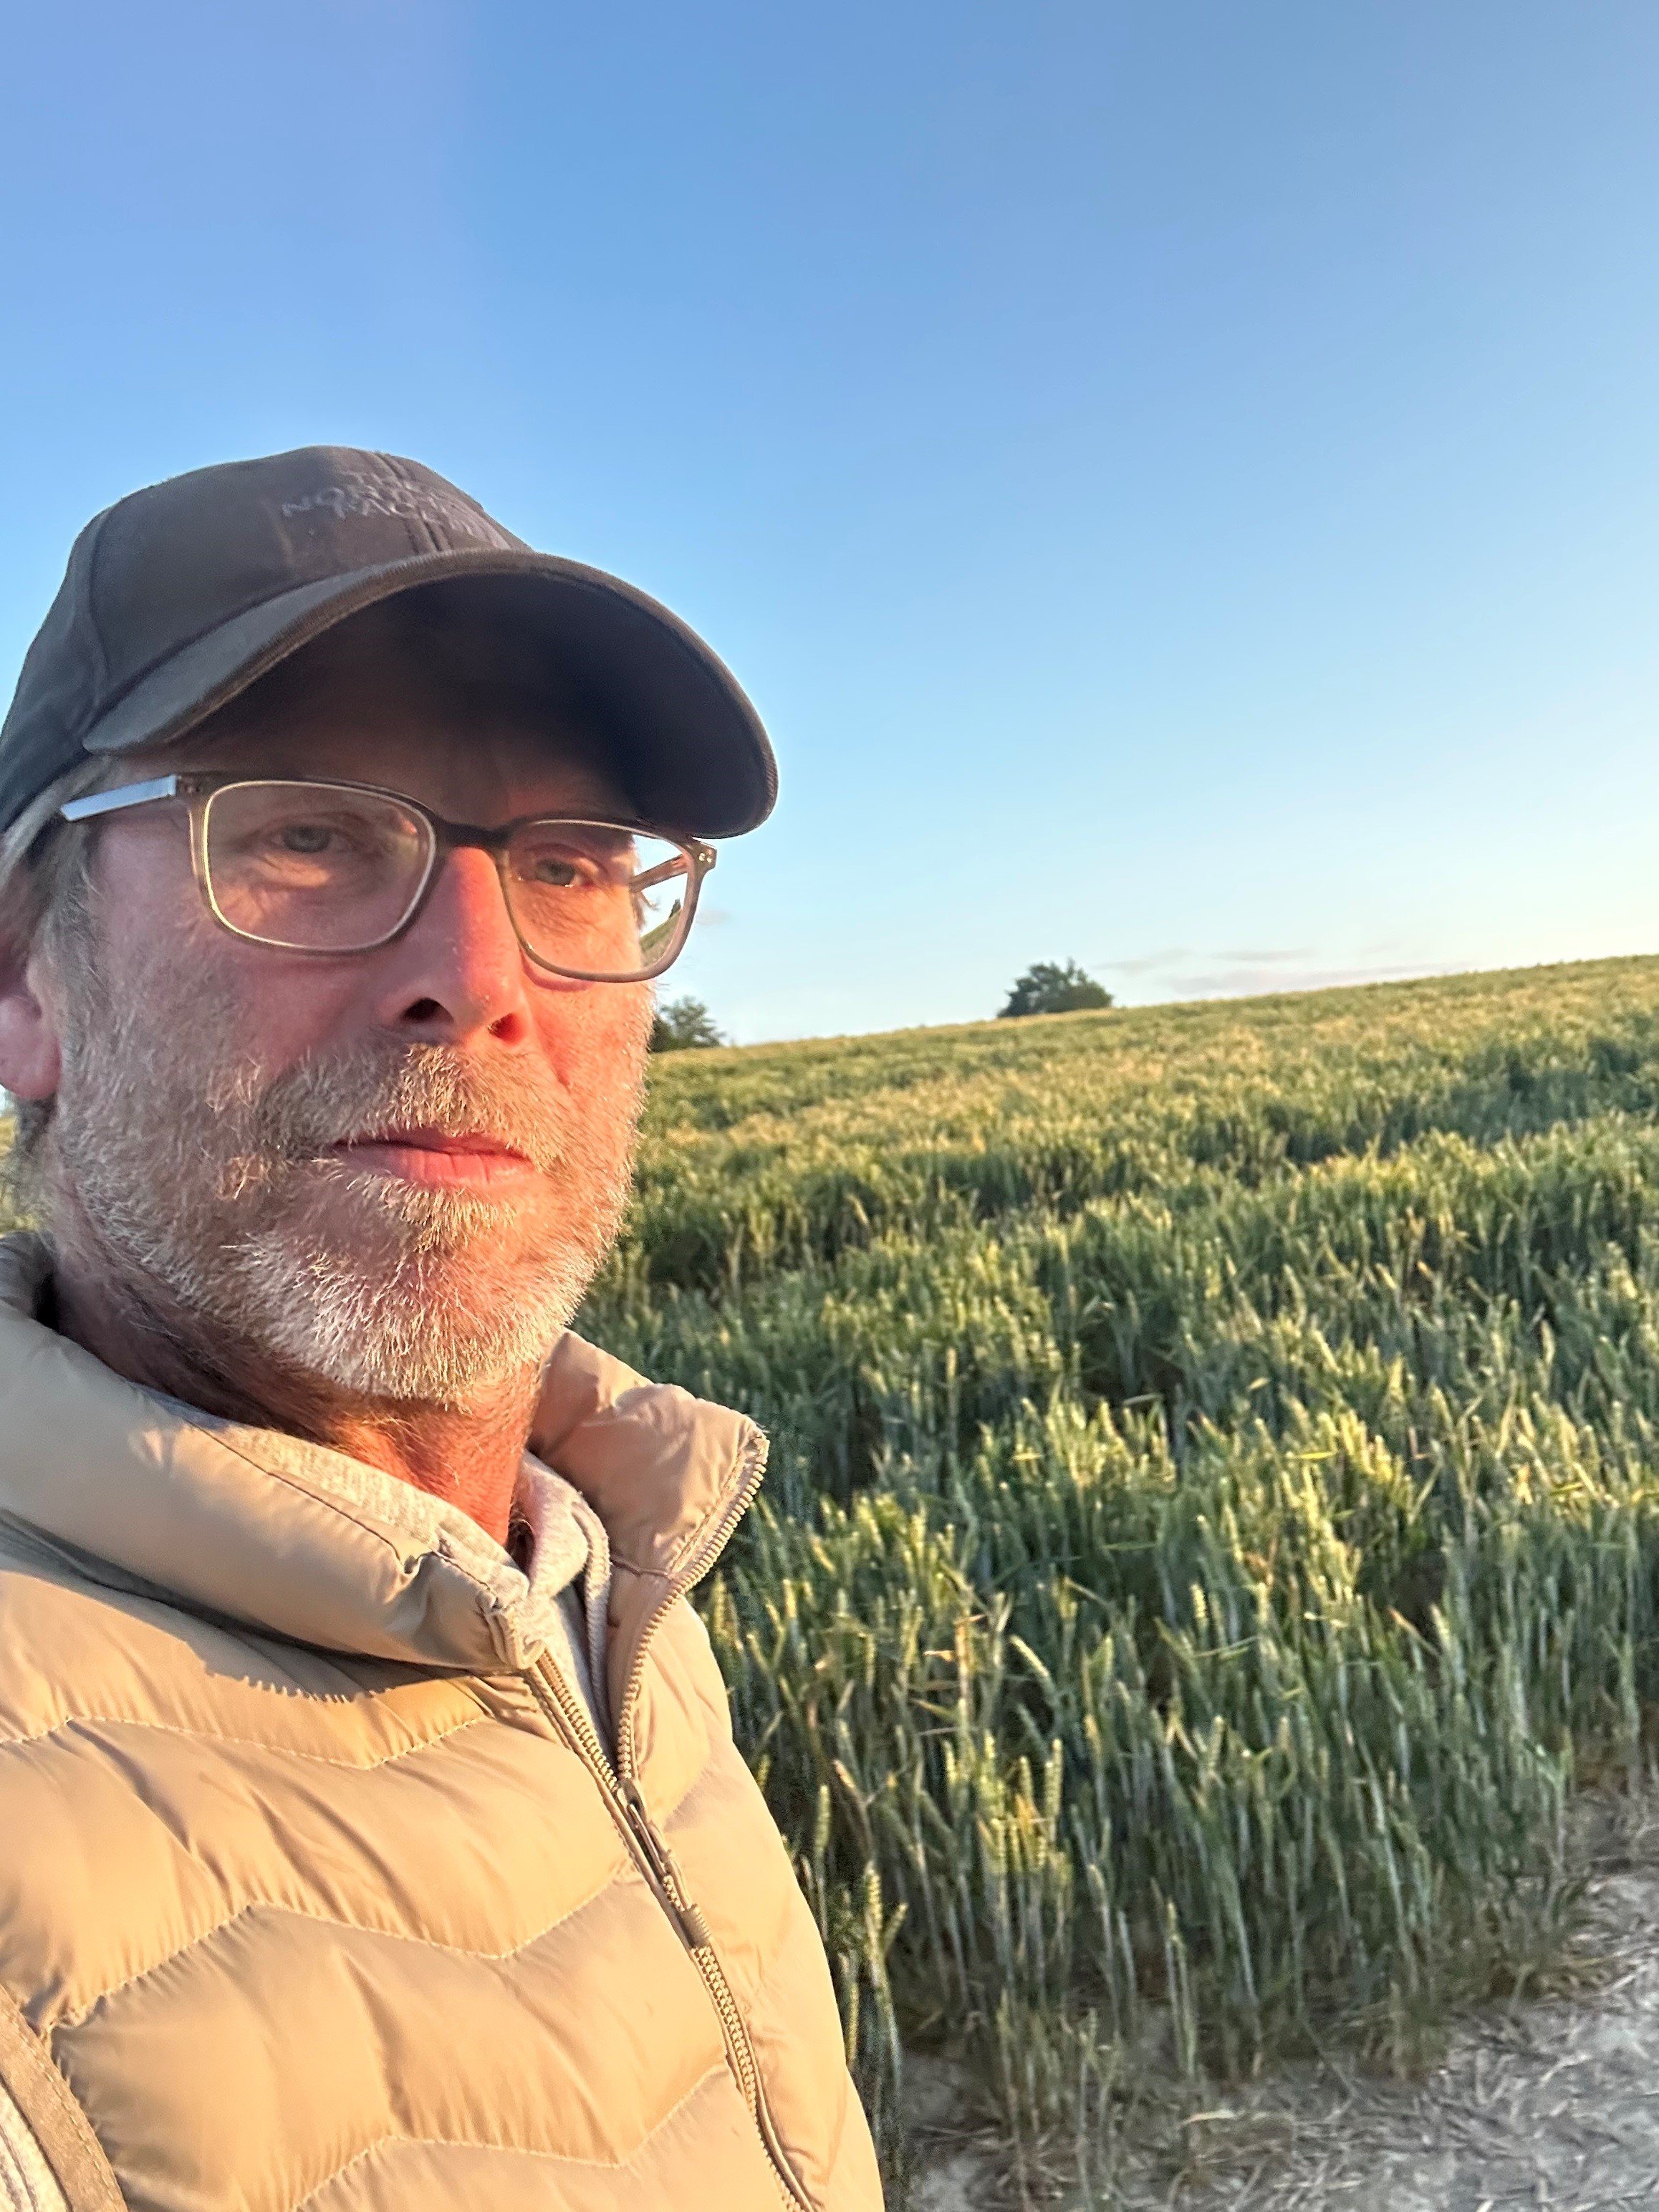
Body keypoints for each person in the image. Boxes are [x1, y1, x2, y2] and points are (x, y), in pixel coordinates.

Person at [0, 448, 883, 2211]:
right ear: (28, 981)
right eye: (306, 830)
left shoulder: (596, 1568)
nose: (478, 971)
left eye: (569, 863)